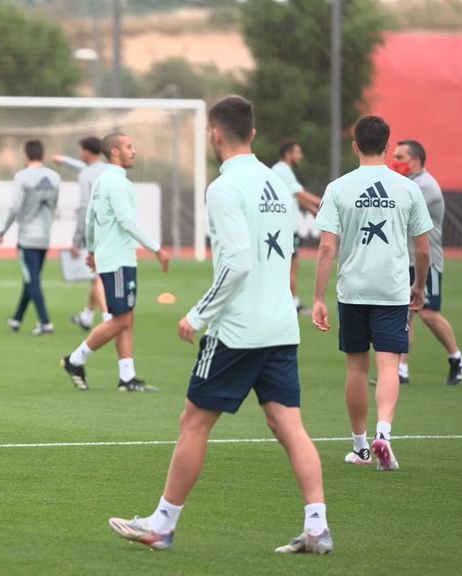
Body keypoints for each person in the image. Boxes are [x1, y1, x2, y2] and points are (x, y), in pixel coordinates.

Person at [108, 96, 331, 554]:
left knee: (193, 423)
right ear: (252, 132)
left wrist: (198, 313)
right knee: (289, 425)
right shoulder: (276, 182)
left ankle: (162, 524)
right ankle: (317, 527)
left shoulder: (224, 187)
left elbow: (238, 263)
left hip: (237, 331)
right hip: (280, 326)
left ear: (214, 134)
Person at [312, 116, 433, 472]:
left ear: (355, 146)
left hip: (353, 289)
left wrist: (318, 298)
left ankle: (360, 447)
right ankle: (384, 434)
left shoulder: (338, 188)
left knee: (356, 366)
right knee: (389, 363)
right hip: (392, 289)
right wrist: (419, 286)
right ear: (387, 145)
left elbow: (326, 248)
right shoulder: (407, 188)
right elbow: (423, 250)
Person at [60, 133, 169, 392]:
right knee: (120, 320)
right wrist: (156, 249)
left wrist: (92, 250)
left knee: (126, 317)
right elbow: (126, 221)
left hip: (113, 258)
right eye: (129, 146)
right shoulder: (119, 183)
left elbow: (90, 218)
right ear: (116, 152)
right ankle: (75, 360)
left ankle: (127, 378)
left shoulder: (101, 180)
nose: (134, 151)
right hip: (119, 260)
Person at [390, 140, 462, 386]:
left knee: (428, 313)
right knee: (404, 313)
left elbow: (397, 209)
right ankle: (401, 369)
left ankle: (457, 358)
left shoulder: (425, 186)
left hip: (427, 260)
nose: (394, 162)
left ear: (415, 160)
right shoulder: (409, 183)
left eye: (400, 157)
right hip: (407, 260)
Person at [0, 140, 61, 336]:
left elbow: (15, 207)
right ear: (43, 155)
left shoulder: (22, 177)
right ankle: (17, 318)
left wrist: (3, 229)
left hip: (27, 237)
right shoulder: (55, 177)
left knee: (33, 280)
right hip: (44, 236)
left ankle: (45, 322)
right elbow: (54, 206)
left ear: (26, 155)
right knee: (31, 279)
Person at [52, 137, 110, 331]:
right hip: (111, 228)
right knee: (97, 273)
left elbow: (85, 207)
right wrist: (65, 161)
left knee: (96, 276)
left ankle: (107, 315)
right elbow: (86, 168)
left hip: (95, 229)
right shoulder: (108, 170)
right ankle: (87, 315)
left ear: (86, 151)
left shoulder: (86, 175)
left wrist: (77, 241)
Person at [270, 141, 322, 314]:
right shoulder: (282, 170)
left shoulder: (283, 171)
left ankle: (290, 302)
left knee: (290, 265)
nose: (301, 156)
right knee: (291, 266)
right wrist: (326, 202)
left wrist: (315, 211)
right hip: (284, 228)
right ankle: (291, 304)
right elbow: (300, 194)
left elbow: (297, 197)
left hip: (285, 228)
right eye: (297, 152)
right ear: (288, 154)